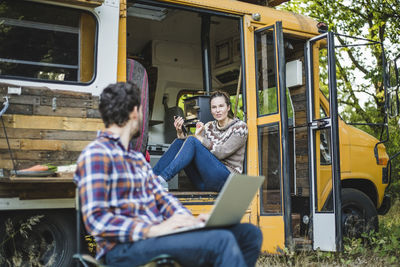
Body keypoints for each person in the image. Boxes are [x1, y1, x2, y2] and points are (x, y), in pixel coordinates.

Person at [74, 82, 262, 267]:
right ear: (134, 113)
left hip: (158, 235)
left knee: (249, 234)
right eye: (141, 111)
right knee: (222, 240)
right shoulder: (97, 154)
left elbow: (162, 198)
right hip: (127, 247)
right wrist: (152, 230)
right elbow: (97, 220)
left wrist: (190, 220)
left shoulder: (135, 159)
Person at [153, 90, 248, 191]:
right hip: (204, 182)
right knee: (180, 142)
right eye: (214, 107)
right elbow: (189, 148)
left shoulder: (240, 127)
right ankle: (150, 179)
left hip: (227, 181)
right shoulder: (209, 126)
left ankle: (162, 179)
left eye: (221, 106)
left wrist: (200, 138)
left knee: (192, 140)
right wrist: (180, 132)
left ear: (228, 107)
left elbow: (222, 152)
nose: (217, 110)